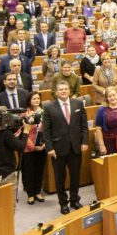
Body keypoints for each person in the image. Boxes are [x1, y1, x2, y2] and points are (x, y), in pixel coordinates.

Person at [42, 81, 89, 214]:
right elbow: (46, 131)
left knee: (75, 176)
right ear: (56, 92)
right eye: (61, 89)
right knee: (60, 178)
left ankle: (74, 199)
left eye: (66, 89)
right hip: (58, 149)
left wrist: (84, 142)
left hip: (76, 147)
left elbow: (84, 125)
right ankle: (63, 203)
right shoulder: (49, 107)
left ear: (69, 90)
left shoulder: (78, 103)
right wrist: (50, 148)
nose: (63, 91)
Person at [21, 92, 48, 205]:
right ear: (29, 101)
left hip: (42, 147)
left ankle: (37, 191)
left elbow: (48, 130)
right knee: (29, 171)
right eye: (34, 98)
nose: (36, 100)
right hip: (29, 148)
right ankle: (30, 194)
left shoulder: (45, 113)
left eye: (38, 98)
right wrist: (33, 147)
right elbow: (23, 133)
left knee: (39, 170)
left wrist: (45, 144)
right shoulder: (24, 115)